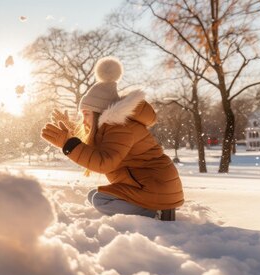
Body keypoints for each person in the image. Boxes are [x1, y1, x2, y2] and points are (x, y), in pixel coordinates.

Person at [41, 57, 183, 221]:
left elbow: (104, 161)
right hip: (152, 185)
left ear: (98, 113)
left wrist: (68, 144)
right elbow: (96, 146)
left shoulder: (120, 128)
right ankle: (153, 209)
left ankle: (156, 214)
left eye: (86, 115)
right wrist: (71, 132)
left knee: (100, 200)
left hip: (154, 187)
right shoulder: (112, 128)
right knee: (95, 195)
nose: (83, 121)